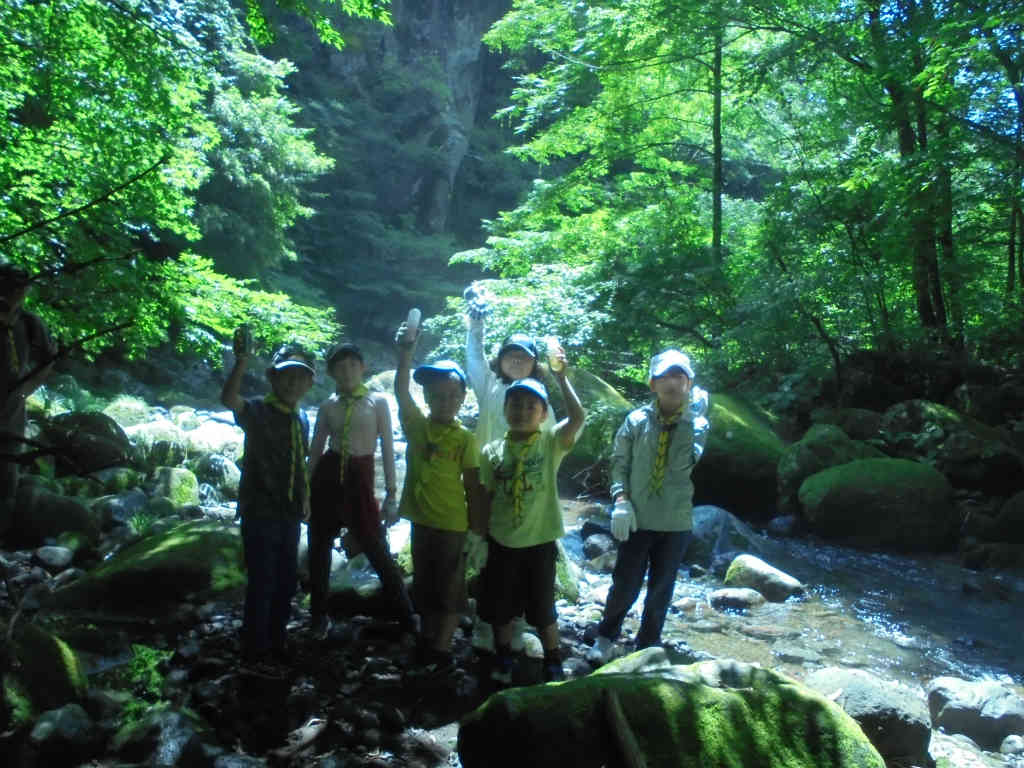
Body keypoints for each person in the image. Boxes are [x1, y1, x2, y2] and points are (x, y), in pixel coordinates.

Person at [586, 349, 710, 666]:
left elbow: (687, 461)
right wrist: (620, 500)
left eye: (679, 376)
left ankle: (647, 645)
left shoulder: (697, 424)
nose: (672, 382)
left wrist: (688, 421)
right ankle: (606, 635)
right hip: (637, 519)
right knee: (625, 585)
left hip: (675, 523)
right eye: (665, 376)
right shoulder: (636, 421)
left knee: (661, 590)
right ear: (653, 383)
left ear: (689, 383)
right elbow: (619, 464)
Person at [480, 356, 585, 685]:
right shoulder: (492, 451)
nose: (522, 411)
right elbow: (485, 497)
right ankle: (503, 655)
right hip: (501, 542)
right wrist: (476, 538)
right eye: (515, 404)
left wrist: (562, 378)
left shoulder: (551, 443)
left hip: (539, 544)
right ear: (505, 409)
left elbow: (578, 417)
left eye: (531, 406)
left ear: (543, 414)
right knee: (500, 607)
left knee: (543, 608)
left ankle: (554, 659)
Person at [306, 341, 416, 640]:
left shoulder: (378, 402)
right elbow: (316, 450)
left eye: (353, 365)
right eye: (340, 367)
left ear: (363, 368)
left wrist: (392, 494)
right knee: (318, 548)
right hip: (328, 479)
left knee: (375, 547)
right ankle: (318, 616)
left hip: (361, 480)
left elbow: (388, 447)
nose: (347, 371)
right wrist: (305, 490)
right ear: (331, 373)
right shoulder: (328, 406)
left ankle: (407, 618)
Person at [221, 329, 315, 667]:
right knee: (262, 578)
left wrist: (305, 498)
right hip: (260, 508)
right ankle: (254, 648)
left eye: (300, 377)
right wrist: (241, 362)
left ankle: (276, 639)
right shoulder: (258, 410)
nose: (293, 383)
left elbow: (300, 461)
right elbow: (229, 399)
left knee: (286, 578)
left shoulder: (302, 418)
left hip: (289, 511)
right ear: (273, 378)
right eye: (286, 376)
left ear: (309, 384)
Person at [394, 320, 484, 671]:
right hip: (422, 522)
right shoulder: (418, 427)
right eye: (436, 396)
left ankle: (442, 650)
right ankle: (428, 641)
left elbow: (474, 486)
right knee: (427, 588)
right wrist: (405, 355)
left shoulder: (466, 439)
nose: (444, 401)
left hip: (452, 526)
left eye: (451, 396)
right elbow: (402, 392)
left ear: (462, 398)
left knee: (450, 592)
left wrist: (477, 533)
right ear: (427, 398)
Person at [463, 283, 555, 448]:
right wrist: (477, 321)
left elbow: (552, 444)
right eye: (511, 355)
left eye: (523, 356)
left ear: (534, 364)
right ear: (500, 360)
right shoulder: (488, 386)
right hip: (487, 470)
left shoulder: (540, 399)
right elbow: (474, 356)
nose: (517, 360)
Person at [1, 261, 57, 525]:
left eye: (18, 287)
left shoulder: (30, 323)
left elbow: (49, 359)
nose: (13, 292)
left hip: (12, 409)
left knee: (7, 474)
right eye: (9, 285)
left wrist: (26, 388)